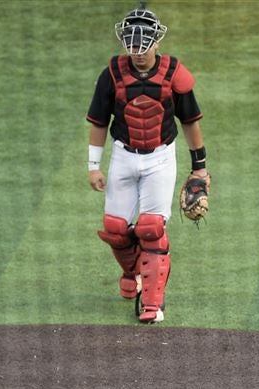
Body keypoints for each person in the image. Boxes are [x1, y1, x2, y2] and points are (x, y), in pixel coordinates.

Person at [85, 4, 209, 323]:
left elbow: (190, 120)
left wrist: (200, 166)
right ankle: (134, 272)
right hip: (123, 155)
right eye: (132, 45)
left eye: (144, 45)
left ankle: (153, 303)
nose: (138, 52)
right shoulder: (112, 74)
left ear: (157, 42)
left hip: (160, 157)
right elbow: (98, 121)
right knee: (116, 229)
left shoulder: (174, 74)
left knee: (151, 228)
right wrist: (93, 165)